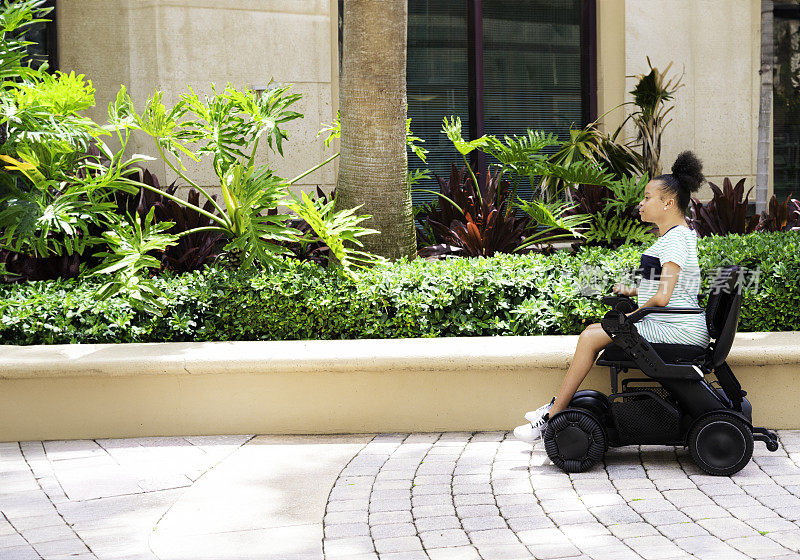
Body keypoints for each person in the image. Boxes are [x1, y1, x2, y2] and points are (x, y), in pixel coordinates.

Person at [514, 151, 711, 443]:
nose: (641, 204)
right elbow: (669, 284)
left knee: (589, 337)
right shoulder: (677, 236)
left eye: (647, 198)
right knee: (593, 332)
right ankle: (556, 408)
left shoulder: (674, 240)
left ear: (668, 202)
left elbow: (664, 296)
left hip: (676, 329)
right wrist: (632, 291)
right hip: (675, 324)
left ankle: (553, 414)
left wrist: (630, 317)